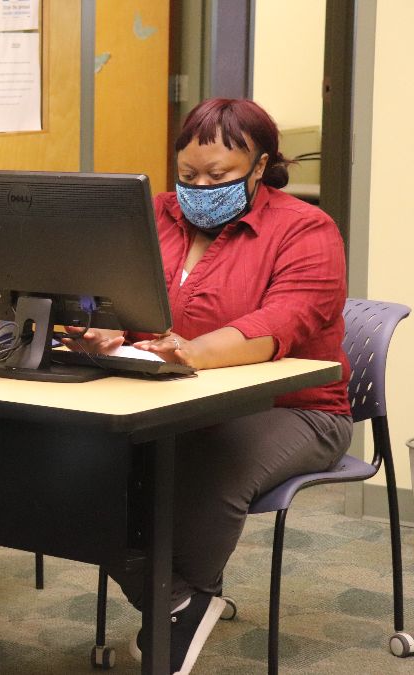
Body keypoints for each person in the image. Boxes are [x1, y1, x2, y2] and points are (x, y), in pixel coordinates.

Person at [63, 98, 352, 675]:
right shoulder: (152, 215)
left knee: (207, 456)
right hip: (166, 397)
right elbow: (109, 294)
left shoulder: (305, 229)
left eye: (217, 176)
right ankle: (179, 599)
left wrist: (191, 351)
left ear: (260, 164)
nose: (199, 187)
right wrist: (105, 324)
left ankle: (175, 608)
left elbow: (279, 326)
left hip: (293, 408)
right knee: (73, 460)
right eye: (188, 175)